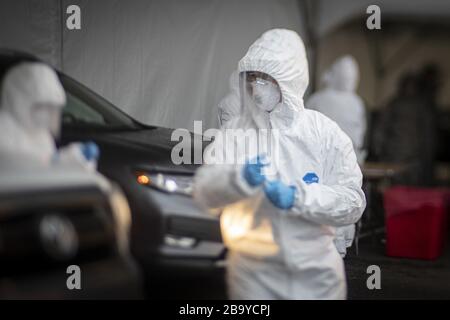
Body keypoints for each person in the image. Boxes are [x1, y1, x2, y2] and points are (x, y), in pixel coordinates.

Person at [193, 29, 366, 299]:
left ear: (288, 79)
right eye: (253, 78)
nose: (257, 86)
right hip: (253, 275)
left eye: (265, 78)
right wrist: (237, 180)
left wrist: (300, 196)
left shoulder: (323, 133)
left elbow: (352, 201)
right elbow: (204, 191)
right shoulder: (236, 132)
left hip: (316, 276)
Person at [306, 55, 367, 258]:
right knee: (334, 200)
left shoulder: (320, 98)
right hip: (330, 160)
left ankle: (327, 246)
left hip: (330, 161)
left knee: (332, 200)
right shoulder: (323, 99)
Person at [0, 62, 98, 171]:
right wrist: (60, 163)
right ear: (20, 102)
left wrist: (74, 163)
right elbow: (16, 171)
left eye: (53, 109)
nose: (50, 116)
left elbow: (45, 168)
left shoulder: (41, 136)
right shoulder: (4, 131)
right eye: (44, 108)